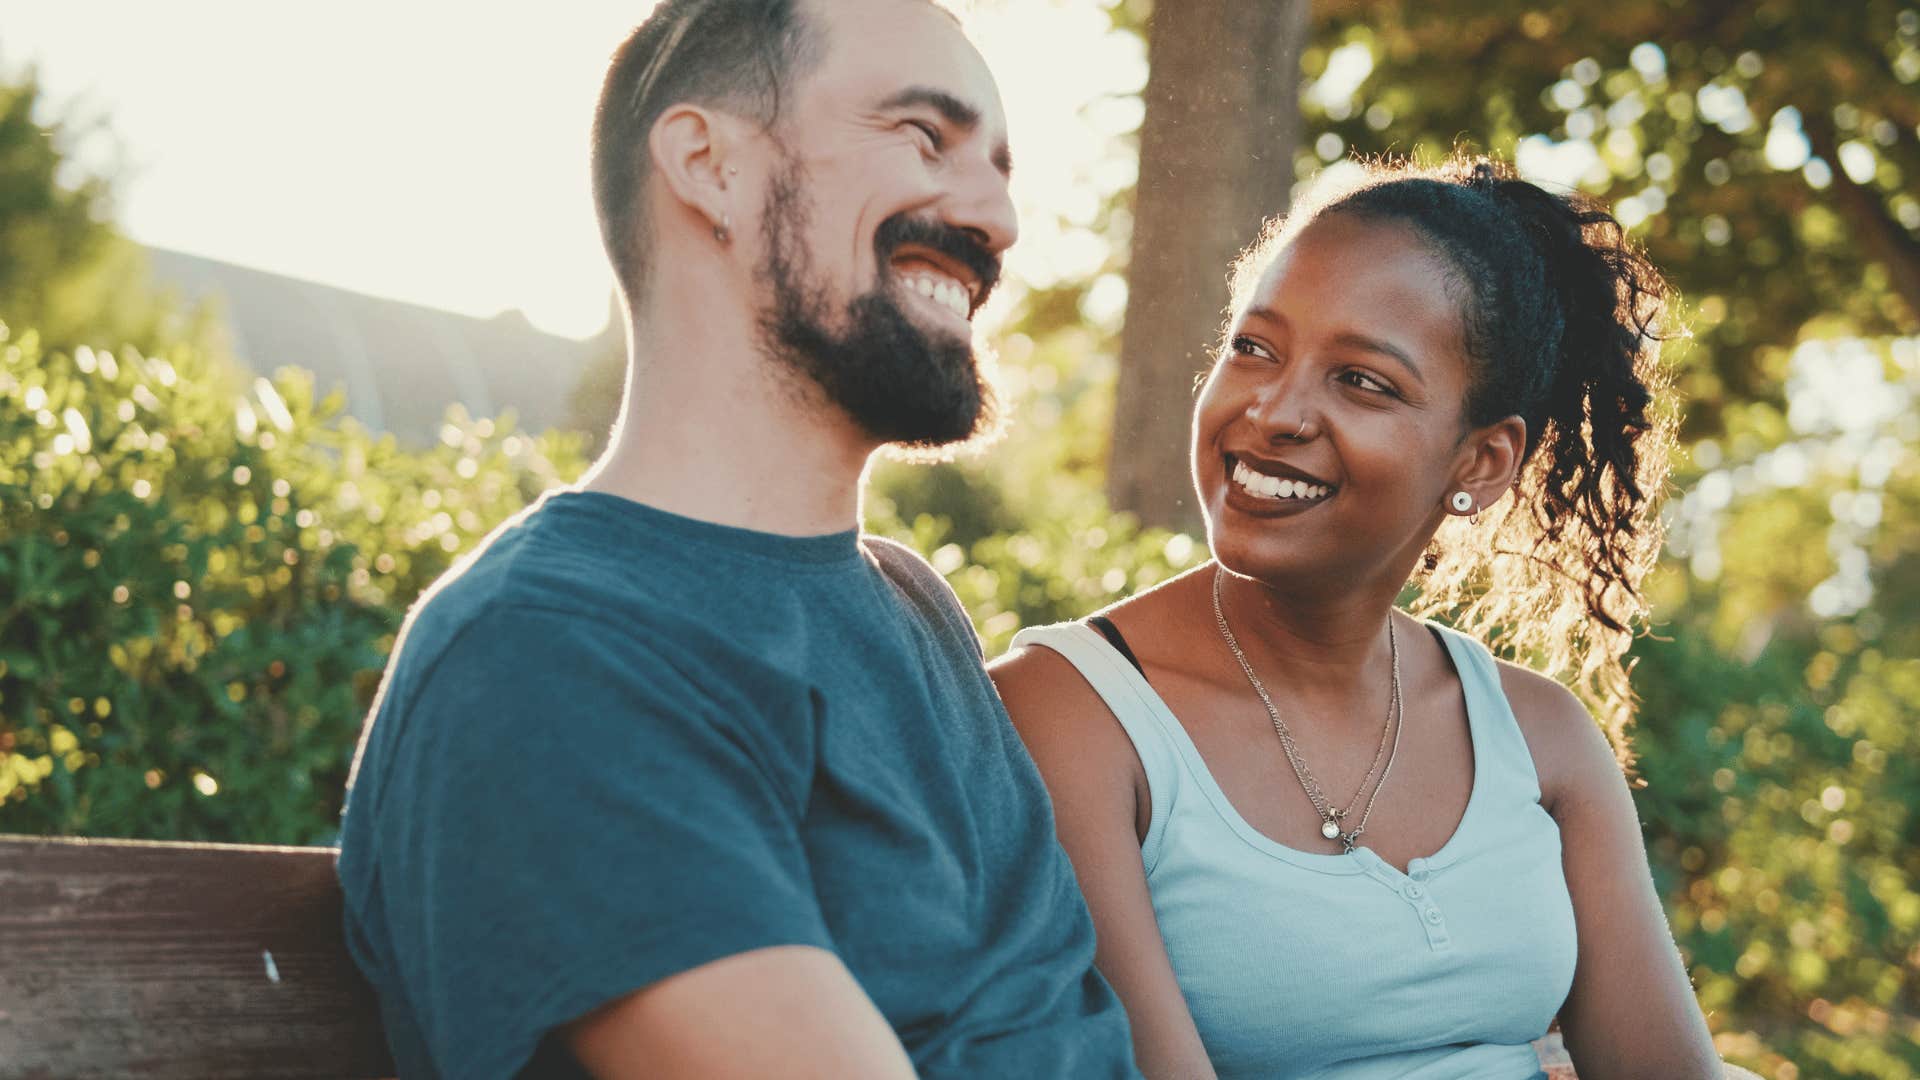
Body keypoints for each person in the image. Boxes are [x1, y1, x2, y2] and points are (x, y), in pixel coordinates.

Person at [336, 1, 1140, 1076]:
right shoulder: (550, 652)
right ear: (710, 165)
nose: (998, 218)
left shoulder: (910, 610)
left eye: (998, 165)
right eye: (921, 135)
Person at [992, 156, 1738, 1079]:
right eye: (1254, 347)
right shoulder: (1073, 715)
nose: (1274, 410)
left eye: (1362, 381)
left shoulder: (1537, 734)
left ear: (1482, 461)